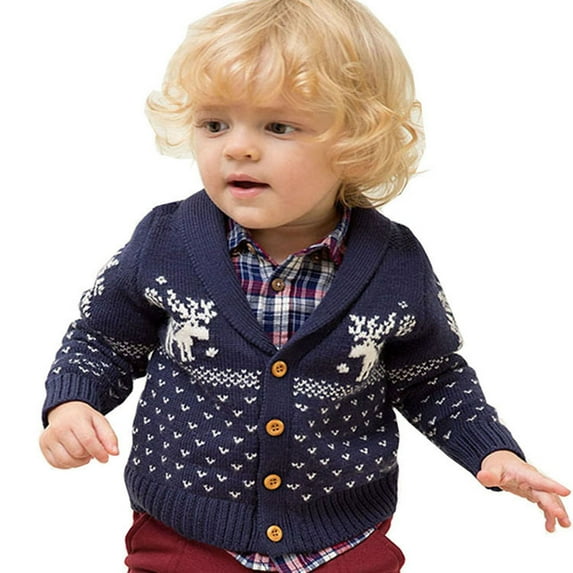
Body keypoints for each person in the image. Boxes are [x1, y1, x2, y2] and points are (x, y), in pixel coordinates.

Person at [39, 0, 570, 571]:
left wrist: (490, 449)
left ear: (357, 142)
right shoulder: (165, 241)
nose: (237, 147)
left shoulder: (395, 262)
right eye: (214, 124)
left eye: (278, 126)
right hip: (186, 532)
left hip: (342, 536)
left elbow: (431, 377)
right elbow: (101, 338)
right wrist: (73, 402)